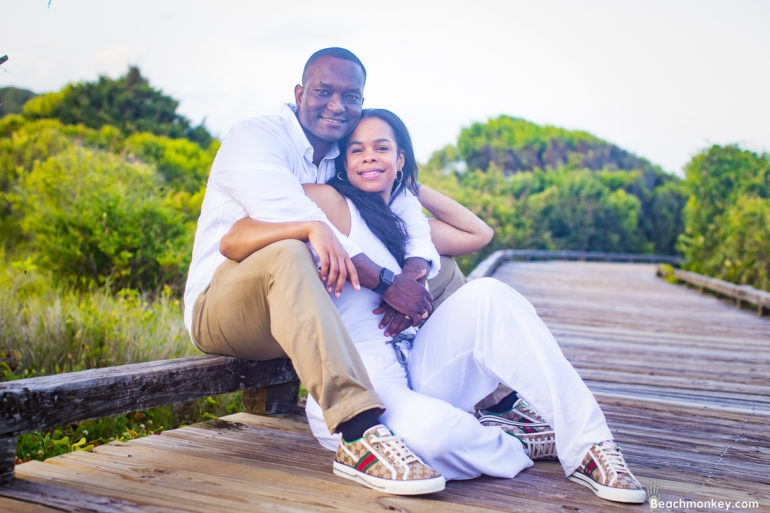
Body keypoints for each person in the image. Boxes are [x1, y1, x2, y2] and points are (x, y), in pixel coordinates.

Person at [222, 108, 647, 504]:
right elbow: (234, 236)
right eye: (358, 150)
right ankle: (516, 441)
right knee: (438, 437)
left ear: (401, 157)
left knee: (490, 294)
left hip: (419, 365)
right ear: (344, 163)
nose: (369, 157)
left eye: (382, 148)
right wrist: (311, 228)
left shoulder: (407, 225)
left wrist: (410, 184)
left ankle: (592, 446)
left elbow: (478, 233)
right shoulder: (329, 203)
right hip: (361, 388)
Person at [184, 48, 446, 495]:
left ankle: (496, 399)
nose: (337, 106)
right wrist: (386, 283)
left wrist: (413, 274)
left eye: (351, 96)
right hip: (227, 307)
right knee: (290, 250)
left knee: (441, 268)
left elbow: (401, 202)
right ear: (300, 93)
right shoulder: (257, 137)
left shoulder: (345, 151)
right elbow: (292, 218)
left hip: (305, 313)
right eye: (324, 92)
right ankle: (358, 432)